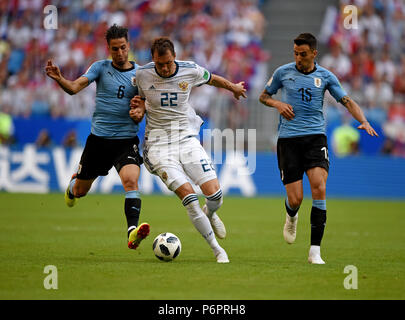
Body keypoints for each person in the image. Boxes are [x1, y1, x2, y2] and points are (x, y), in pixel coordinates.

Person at [259, 33, 378, 264]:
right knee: (296, 199)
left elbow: (346, 100)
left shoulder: (326, 76)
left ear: (314, 53)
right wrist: (278, 103)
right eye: (295, 53)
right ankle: (291, 215)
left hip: (315, 139)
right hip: (288, 140)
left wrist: (362, 119)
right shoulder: (283, 72)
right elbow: (264, 96)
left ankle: (315, 251)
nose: (298, 58)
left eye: (302, 54)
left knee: (319, 187)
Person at [130, 37, 247, 263]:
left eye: (168, 63)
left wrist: (232, 87)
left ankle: (210, 213)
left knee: (215, 194)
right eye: (159, 64)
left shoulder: (190, 70)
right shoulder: (143, 74)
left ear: (175, 57)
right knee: (189, 196)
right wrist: (139, 110)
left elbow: (212, 79)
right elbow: (140, 99)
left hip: (186, 139)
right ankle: (216, 249)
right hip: (158, 146)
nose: (164, 68)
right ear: (152, 60)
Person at [45, 24, 150, 251]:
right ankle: (72, 187)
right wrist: (59, 78)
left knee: (131, 181)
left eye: (123, 48)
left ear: (129, 46)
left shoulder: (141, 75)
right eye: (115, 49)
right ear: (108, 49)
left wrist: (138, 112)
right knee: (81, 191)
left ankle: (132, 233)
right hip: (99, 141)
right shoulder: (100, 68)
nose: (120, 53)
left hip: (126, 140)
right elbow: (74, 88)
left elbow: (143, 107)